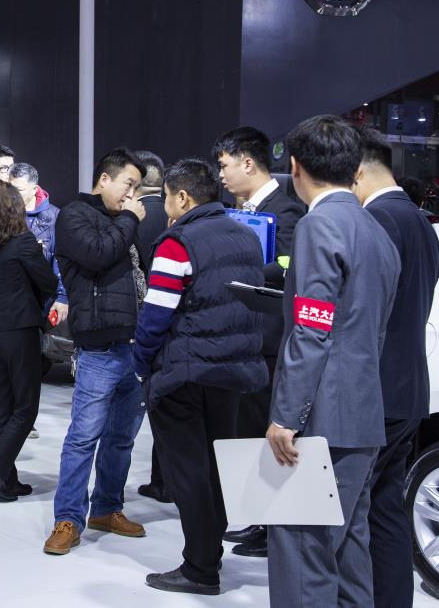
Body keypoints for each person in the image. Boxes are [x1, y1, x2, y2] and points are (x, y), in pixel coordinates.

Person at [266, 116, 399, 608]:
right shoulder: (375, 229)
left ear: (295, 167)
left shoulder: (318, 226)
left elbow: (312, 327)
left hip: (322, 419)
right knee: (348, 556)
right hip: (363, 415)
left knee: (304, 555)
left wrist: (286, 415)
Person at [135, 159, 268, 595]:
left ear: (183, 197)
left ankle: (200, 567)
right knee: (215, 469)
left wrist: (142, 363)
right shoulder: (247, 237)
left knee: (188, 473)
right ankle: (210, 555)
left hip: (185, 372)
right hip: (233, 371)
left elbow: (156, 315)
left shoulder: (177, 242)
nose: (166, 207)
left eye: (168, 198)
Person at [45, 148, 148, 556]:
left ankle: (107, 508)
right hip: (99, 347)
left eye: (137, 188)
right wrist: (130, 219)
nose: (132, 195)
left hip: (135, 346)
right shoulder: (74, 215)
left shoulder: (121, 221)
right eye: (128, 184)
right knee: (84, 437)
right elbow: (99, 253)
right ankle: (68, 518)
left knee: (121, 438)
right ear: (104, 179)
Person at [352, 128, 439, 608]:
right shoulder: (418, 219)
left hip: (375, 391)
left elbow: (367, 311)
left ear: (357, 171)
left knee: (353, 513)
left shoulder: (378, 219)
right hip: (408, 386)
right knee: (386, 509)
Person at [214, 126, 306, 557]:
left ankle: (275, 527)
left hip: (271, 341)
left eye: (225, 165)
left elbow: (287, 267)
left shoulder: (285, 212)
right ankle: (260, 519)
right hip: (248, 339)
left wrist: (242, 271)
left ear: (247, 163)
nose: (221, 175)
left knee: (271, 434)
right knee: (250, 431)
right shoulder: (241, 211)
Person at [0, 181, 59, 501]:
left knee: (2, 410)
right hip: (22, 330)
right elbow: (48, 282)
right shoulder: (23, 242)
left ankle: (7, 481)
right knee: (25, 410)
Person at [130, 150, 171, 504]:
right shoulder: (175, 217)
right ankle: (165, 480)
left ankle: (159, 481)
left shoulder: (131, 218)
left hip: (140, 322)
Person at [8, 162, 68, 324]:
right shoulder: (2, 213)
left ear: (34, 189)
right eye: (10, 189)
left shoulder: (54, 216)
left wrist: (62, 296)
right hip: (10, 299)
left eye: (19, 190)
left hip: (44, 300)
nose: (12, 195)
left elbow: (61, 259)